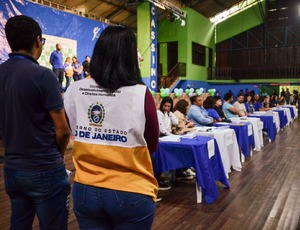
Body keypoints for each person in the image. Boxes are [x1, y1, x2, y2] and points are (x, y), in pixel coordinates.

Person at [64, 25, 159, 229]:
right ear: (130, 57)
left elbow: (70, 129)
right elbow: (151, 144)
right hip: (131, 189)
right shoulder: (140, 93)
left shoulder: (74, 89)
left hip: (85, 188)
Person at [0, 15, 71, 229]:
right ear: (38, 41)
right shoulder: (43, 76)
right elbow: (63, 130)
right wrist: (56, 157)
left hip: (12, 170)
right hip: (44, 167)